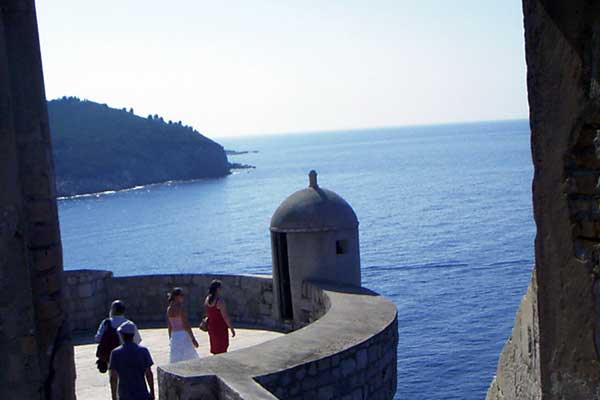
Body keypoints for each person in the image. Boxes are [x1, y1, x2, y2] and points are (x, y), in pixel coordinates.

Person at [109, 321, 155, 400]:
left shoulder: (115, 353)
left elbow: (113, 377)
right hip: (142, 393)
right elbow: (149, 373)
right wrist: (152, 392)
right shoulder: (143, 351)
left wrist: (114, 396)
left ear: (122, 335)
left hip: (124, 394)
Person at [95, 300, 141, 373]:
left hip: (110, 356)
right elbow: (137, 340)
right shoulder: (129, 324)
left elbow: (98, 338)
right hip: (127, 356)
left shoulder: (106, 323)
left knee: (113, 378)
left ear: (112, 310)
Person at [167, 287, 199, 363]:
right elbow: (186, 324)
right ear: (176, 297)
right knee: (188, 355)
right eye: (181, 295)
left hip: (174, 335)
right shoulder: (180, 308)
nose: (183, 297)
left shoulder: (169, 309)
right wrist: (193, 338)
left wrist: (170, 337)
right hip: (183, 334)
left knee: (176, 355)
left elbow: (170, 325)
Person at [204, 280, 235, 354]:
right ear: (218, 289)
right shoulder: (220, 301)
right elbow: (225, 317)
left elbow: (207, 312)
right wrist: (231, 328)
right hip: (220, 327)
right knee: (222, 347)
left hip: (211, 326)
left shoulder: (207, 299)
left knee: (215, 346)